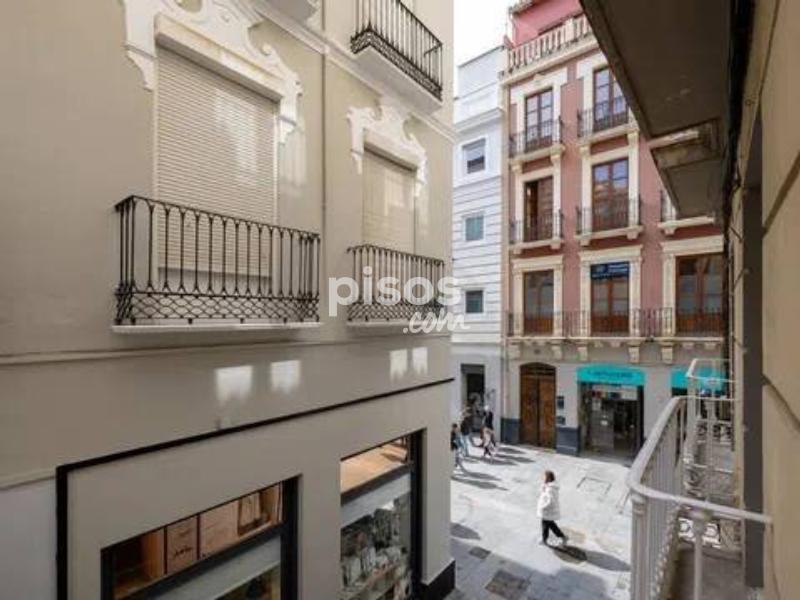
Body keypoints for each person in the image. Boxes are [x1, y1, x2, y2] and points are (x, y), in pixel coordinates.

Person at [537, 470, 568, 546]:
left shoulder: (550, 489)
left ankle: (545, 540)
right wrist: (544, 486)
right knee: (550, 525)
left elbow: (551, 501)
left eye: (544, 477)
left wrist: (543, 507)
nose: (543, 478)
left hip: (548, 511)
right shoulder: (548, 486)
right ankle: (562, 537)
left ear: (548, 478)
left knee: (545, 525)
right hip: (548, 512)